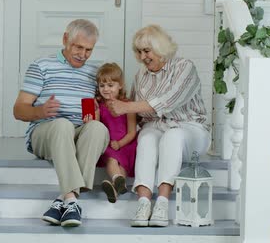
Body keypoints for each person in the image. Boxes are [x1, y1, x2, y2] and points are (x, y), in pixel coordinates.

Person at [106, 24, 211, 227]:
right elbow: (137, 115)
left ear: (160, 47)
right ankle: (144, 202)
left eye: (147, 50)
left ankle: (162, 202)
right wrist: (110, 110)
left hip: (190, 128)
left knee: (172, 136)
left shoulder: (184, 67)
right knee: (145, 138)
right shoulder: (141, 76)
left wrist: (125, 106)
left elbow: (167, 102)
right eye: (139, 52)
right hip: (156, 127)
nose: (143, 56)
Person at [13, 19, 109, 227]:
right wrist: (40, 111)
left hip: (79, 133)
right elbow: (18, 110)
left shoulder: (96, 72)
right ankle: (72, 198)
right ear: (65, 39)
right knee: (62, 124)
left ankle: (65, 200)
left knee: (98, 129)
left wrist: (98, 112)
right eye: (78, 47)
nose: (82, 54)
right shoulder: (42, 66)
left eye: (88, 50)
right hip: (46, 132)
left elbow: (105, 106)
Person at [88, 62, 137, 203]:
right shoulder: (100, 105)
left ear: (120, 85)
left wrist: (120, 143)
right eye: (102, 86)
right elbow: (95, 125)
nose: (106, 89)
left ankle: (116, 182)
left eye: (110, 85)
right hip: (109, 144)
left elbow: (132, 132)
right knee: (112, 158)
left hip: (126, 143)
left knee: (117, 160)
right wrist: (94, 110)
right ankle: (117, 185)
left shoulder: (128, 105)